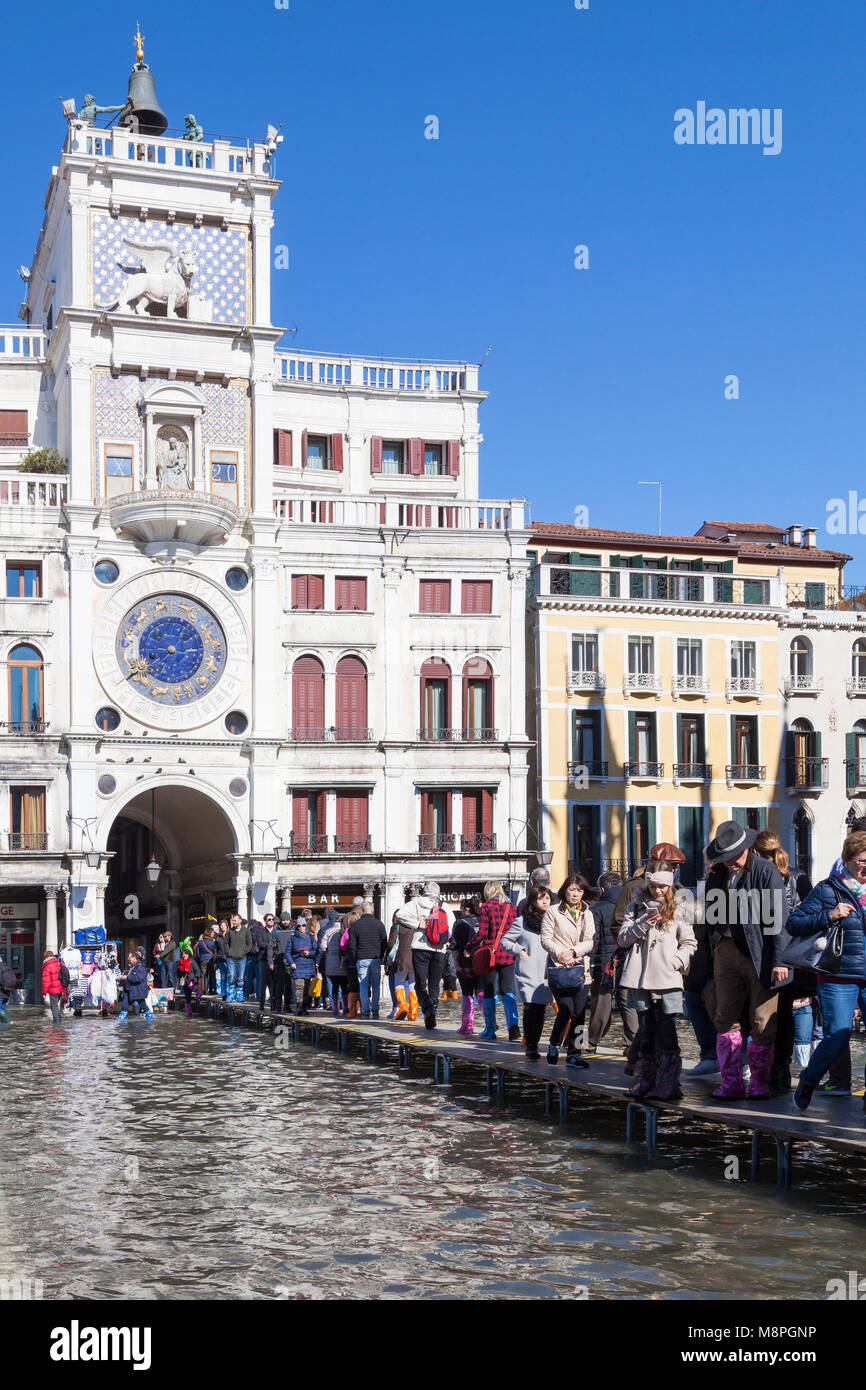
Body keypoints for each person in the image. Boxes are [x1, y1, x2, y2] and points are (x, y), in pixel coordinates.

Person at [704, 820, 790, 1101]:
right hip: (725, 950)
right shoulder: (717, 875)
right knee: (724, 1017)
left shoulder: (767, 872)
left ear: (746, 849)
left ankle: (759, 1085)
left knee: (763, 1021)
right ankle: (731, 1084)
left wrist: (779, 961)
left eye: (733, 856)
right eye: (723, 857)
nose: (728, 862)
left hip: (761, 954)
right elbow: (709, 916)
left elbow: (779, 918)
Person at [789, 830, 866, 1112]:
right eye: (863, 860)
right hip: (838, 976)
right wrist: (829, 915)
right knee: (836, 1037)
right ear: (848, 859)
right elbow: (794, 924)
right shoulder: (827, 889)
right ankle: (809, 1079)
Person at [618, 870, 696, 1099]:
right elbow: (623, 939)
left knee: (667, 1030)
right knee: (647, 1029)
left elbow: (689, 942)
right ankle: (645, 1079)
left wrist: (676, 961)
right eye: (653, 887)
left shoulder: (679, 908)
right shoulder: (635, 908)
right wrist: (643, 922)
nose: (657, 891)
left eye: (662, 887)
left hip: (667, 977)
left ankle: (669, 1083)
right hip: (640, 978)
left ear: (669, 887)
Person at [753, 829, 809, 1094]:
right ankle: (781, 1073)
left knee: (765, 1014)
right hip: (793, 957)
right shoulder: (798, 876)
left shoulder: (760, 877)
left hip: (769, 955)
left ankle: (767, 1073)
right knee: (784, 1015)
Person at [541, 873, 598, 1066]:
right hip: (559, 968)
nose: (575, 894)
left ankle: (575, 1054)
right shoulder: (553, 911)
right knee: (566, 1009)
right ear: (564, 890)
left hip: (581, 968)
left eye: (579, 890)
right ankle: (554, 1044)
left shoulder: (587, 913)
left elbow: (590, 941)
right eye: (572, 889)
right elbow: (546, 939)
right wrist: (561, 953)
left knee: (580, 1013)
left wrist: (573, 952)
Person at [587, 871, 638, 1055]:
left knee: (601, 1003)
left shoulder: (596, 908)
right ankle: (631, 1044)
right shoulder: (631, 905)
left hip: (605, 963)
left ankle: (592, 1042)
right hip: (628, 961)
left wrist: (592, 967)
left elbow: (595, 940)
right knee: (628, 1003)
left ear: (601, 889)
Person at [394, 882, 455, 1031]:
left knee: (421, 984)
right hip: (439, 950)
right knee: (434, 984)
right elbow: (452, 926)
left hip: (420, 948)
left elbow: (399, 915)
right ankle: (432, 1011)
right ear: (438, 893)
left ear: (423, 892)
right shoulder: (445, 906)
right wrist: (443, 940)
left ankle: (427, 1009)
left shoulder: (416, 903)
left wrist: (417, 924)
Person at [502, 885, 553, 1059]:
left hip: (548, 969)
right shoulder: (521, 921)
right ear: (533, 901)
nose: (545, 901)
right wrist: (520, 950)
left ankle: (536, 1042)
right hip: (528, 970)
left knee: (541, 1009)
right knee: (531, 1007)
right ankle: (531, 1045)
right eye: (541, 898)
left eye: (547, 898)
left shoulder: (554, 920)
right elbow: (505, 941)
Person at [474, 881, 519, 1041]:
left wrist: (469, 945)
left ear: (488, 891)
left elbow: (482, 933)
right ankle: (513, 1028)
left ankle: (490, 1029)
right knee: (508, 990)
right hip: (508, 954)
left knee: (489, 991)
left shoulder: (486, 907)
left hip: (490, 955)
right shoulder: (512, 908)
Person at [613, 843, 688, 930]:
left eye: (676, 866)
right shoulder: (632, 887)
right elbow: (618, 923)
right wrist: (634, 940)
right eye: (671, 865)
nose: (673, 870)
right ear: (654, 863)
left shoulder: (678, 889)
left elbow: (686, 925)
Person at [348, 904, 388, 1018]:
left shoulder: (355, 925)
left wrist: (356, 957)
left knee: (363, 986)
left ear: (362, 912)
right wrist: (380, 956)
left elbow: (352, 945)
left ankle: (365, 1010)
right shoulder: (379, 924)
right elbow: (384, 943)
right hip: (375, 958)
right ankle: (375, 1010)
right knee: (376, 986)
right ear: (373, 911)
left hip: (361, 959)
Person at [450, 897, 481, 1034]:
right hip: (481, 961)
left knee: (467, 993)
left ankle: (467, 1025)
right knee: (481, 992)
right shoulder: (482, 921)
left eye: (462, 908)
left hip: (466, 962)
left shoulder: (460, 922)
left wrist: (456, 964)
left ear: (466, 909)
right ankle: (490, 1022)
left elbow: (455, 945)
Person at [319, 909, 348, 1016]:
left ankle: (335, 1008)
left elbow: (323, 946)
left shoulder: (328, 931)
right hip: (342, 962)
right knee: (344, 985)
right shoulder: (344, 930)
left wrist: (329, 951)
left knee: (334, 985)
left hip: (331, 961)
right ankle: (345, 1007)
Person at [287, 915, 318, 1014]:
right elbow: (287, 952)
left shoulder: (312, 938)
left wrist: (309, 953)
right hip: (297, 965)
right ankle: (300, 1007)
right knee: (299, 988)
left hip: (308, 965)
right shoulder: (292, 938)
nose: (301, 927)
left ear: (306, 926)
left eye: (303, 925)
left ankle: (304, 1007)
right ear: (296, 926)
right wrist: (291, 963)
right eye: (299, 925)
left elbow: (316, 951)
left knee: (307, 989)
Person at [340, 898, 365, 1018]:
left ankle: (353, 1010)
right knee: (363, 986)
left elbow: (342, 945)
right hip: (362, 961)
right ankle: (364, 1010)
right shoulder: (361, 930)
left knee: (353, 986)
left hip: (350, 962)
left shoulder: (348, 931)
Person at [252, 914, 279, 1010]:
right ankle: (261, 1003)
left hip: (275, 960)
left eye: (273, 919)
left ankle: (273, 1004)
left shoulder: (276, 931)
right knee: (263, 982)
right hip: (263, 960)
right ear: (265, 921)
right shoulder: (260, 932)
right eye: (269, 919)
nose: (271, 921)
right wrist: (271, 945)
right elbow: (260, 944)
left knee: (273, 983)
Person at [223, 915, 252, 1003]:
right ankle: (231, 994)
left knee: (240, 978)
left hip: (242, 958)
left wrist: (244, 952)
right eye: (233, 920)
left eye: (235, 920)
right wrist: (228, 952)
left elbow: (249, 944)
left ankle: (239, 995)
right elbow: (226, 943)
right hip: (231, 958)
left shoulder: (246, 931)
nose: (233, 922)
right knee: (231, 976)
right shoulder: (229, 932)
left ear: (240, 920)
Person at [118, 950, 153, 1022]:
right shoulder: (131, 967)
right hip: (129, 991)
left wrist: (127, 977)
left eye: (129, 957)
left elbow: (138, 978)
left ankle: (150, 1020)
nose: (128, 958)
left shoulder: (141, 967)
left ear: (134, 958)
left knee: (144, 1006)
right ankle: (121, 1022)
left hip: (137, 992)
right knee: (124, 1007)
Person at [274, 912, 294, 1013]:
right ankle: (278, 1004)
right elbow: (271, 946)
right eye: (283, 920)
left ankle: (287, 1005)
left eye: (287, 920)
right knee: (279, 985)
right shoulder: (276, 931)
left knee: (289, 985)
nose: (285, 922)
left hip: (289, 961)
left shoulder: (293, 931)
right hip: (279, 961)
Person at [41, 949, 66, 1023]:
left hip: (52, 989)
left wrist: (44, 993)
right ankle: (59, 1019)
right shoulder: (59, 963)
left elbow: (46, 981)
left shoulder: (47, 966)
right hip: (60, 988)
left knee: (54, 1006)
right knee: (55, 1005)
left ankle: (56, 1022)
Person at [194, 926, 218, 995]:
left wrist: (201, 959)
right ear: (209, 933)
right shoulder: (212, 942)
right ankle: (213, 989)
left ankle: (204, 990)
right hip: (211, 959)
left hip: (203, 960)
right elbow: (215, 952)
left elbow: (198, 954)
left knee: (204, 975)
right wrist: (214, 960)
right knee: (212, 975)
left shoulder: (200, 942)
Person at [214, 920, 229, 1000]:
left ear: (227, 926)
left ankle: (230, 993)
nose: (223, 927)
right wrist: (215, 959)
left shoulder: (230, 935)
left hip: (229, 958)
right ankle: (224, 994)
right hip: (221, 958)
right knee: (223, 977)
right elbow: (215, 949)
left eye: (224, 925)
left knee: (230, 976)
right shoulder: (218, 937)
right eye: (221, 925)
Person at [0, 955, 16, 1023]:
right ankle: (3, 1028)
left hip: (0, 992)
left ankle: (8, 1021)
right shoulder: (7, 968)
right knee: (2, 1008)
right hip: (6, 992)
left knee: (0, 1010)